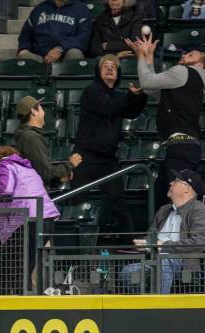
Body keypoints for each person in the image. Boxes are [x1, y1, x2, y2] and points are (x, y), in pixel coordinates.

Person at [126, 34, 205, 208]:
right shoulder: (198, 83)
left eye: (191, 55)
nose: (184, 55)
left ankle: (184, 233)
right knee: (163, 198)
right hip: (186, 147)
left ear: (200, 64)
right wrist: (149, 58)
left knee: (178, 199)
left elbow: (146, 82)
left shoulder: (183, 72)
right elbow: (154, 88)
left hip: (180, 147)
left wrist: (141, 55)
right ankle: (161, 233)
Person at [71, 54, 147, 237]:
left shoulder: (118, 96)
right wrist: (129, 96)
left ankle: (130, 243)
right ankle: (74, 246)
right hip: (86, 156)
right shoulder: (92, 91)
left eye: (114, 65)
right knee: (77, 200)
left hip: (108, 159)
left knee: (118, 201)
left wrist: (140, 96)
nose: (110, 67)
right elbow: (109, 108)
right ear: (98, 71)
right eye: (105, 65)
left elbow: (132, 112)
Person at [120, 169, 205, 293]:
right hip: (155, 258)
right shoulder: (164, 210)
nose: (171, 183)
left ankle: (160, 305)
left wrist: (164, 247)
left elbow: (204, 241)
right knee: (128, 271)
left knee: (163, 263)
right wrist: (145, 243)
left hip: (183, 263)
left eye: (176, 181)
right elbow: (151, 235)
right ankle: (144, 304)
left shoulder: (198, 209)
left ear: (187, 189)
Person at [0, 146, 60, 276]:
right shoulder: (26, 167)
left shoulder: (0, 166)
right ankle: (24, 293)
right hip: (46, 216)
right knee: (28, 262)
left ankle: (17, 294)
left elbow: (4, 188)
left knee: (16, 265)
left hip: (27, 219)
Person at [14, 95, 82, 189]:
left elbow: (38, 172)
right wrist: (70, 165)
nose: (43, 112)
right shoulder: (31, 137)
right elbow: (45, 171)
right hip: (36, 199)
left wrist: (59, 179)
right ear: (33, 112)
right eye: (41, 108)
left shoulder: (29, 136)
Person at [17, 0, 92, 64]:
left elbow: (83, 38)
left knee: (75, 53)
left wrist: (60, 48)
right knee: (24, 56)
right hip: (41, 58)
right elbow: (25, 36)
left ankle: (70, 81)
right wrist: (23, 49)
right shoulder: (39, 8)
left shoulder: (82, 9)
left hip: (66, 55)